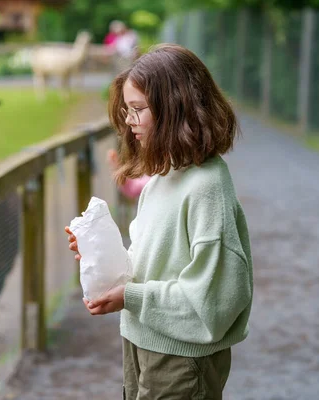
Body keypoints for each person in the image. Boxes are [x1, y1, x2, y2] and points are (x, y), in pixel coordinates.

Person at [64, 44, 253, 399]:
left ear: (176, 109)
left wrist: (131, 296)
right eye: (126, 110)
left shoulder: (207, 187)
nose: (129, 121)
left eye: (137, 109)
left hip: (181, 359)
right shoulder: (164, 177)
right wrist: (102, 258)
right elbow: (156, 263)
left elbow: (212, 302)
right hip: (140, 340)